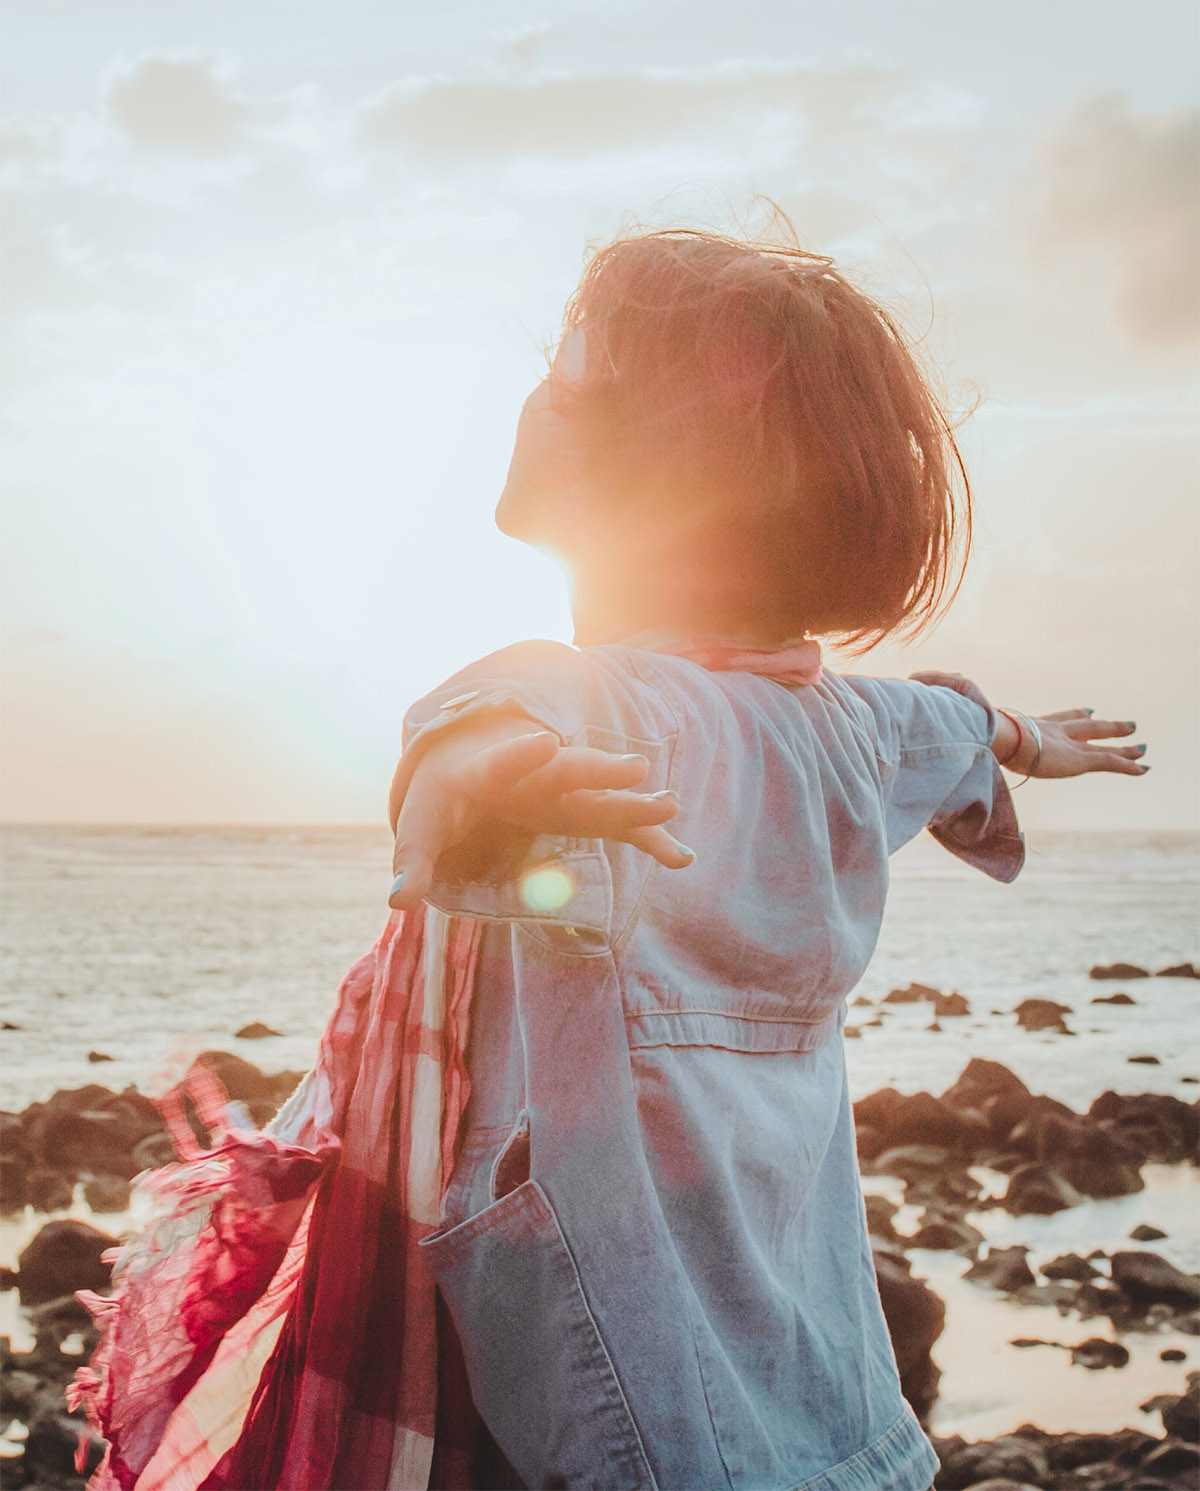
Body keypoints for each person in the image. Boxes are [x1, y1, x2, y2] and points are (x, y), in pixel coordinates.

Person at [74, 222, 1147, 1491]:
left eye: (573, 373)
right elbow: (948, 724)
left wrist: (482, 793)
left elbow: (465, 754)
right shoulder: (847, 726)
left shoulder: (573, 700)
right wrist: (1029, 738)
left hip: (604, 1399)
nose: (536, 392)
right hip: (813, 1395)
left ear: (679, 464)